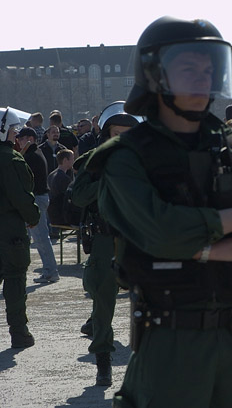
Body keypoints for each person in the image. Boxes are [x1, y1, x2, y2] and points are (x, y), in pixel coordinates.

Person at [84, 16, 232, 407]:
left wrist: (202, 246)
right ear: (155, 75)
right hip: (170, 343)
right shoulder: (127, 158)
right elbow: (162, 232)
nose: (202, 80)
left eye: (208, 69)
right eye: (188, 69)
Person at [72, 101, 142, 386]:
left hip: (137, 240)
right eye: (117, 132)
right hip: (104, 239)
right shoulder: (92, 161)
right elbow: (77, 197)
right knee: (103, 299)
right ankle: (103, 359)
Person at [0, 107, 39, 348]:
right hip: (10, 231)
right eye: (13, 131)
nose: (16, 135)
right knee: (14, 280)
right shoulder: (11, 160)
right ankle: (19, 332)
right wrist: (32, 216)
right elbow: (22, 198)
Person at [16, 127, 60, 284]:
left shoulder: (31, 156)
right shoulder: (34, 153)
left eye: (22, 139)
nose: (19, 141)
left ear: (31, 139)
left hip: (37, 199)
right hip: (39, 198)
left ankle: (51, 271)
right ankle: (49, 270)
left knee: (41, 238)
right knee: (39, 238)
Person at [46, 149, 74, 227]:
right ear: (65, 160)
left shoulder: (51, 175)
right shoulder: (64, 178)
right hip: (61, 216)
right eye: (72, 159)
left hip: (52, 214)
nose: (73, 161)